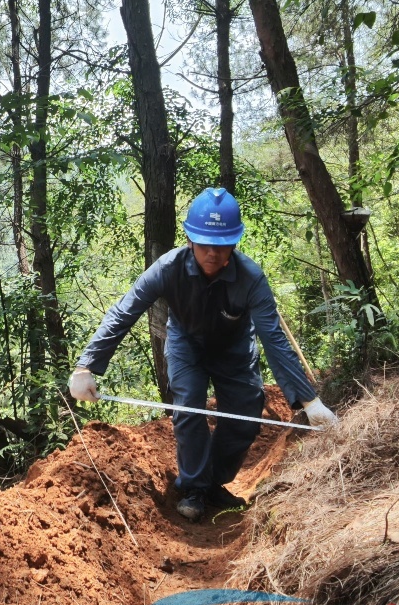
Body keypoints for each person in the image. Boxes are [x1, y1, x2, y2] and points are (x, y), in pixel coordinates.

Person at [68, 187, 338, 521]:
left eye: (221, 245)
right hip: (186, 342)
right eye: (204, 243)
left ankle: (213, 484)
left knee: (245, 413)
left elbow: (274, 340)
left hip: (235, 347)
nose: (212, 253)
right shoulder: (168, 268)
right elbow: (125, 311)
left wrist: (311, 402)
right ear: (190, 239)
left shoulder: (251, 279)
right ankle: (194, 486)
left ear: (234, 243)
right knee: (188, 402)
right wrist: (85, 366)